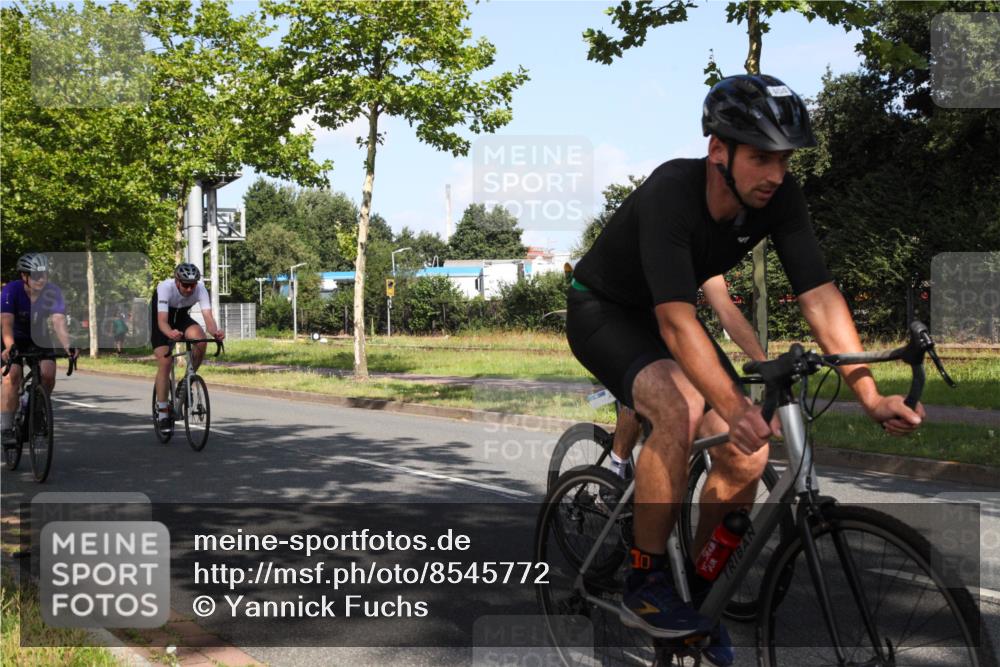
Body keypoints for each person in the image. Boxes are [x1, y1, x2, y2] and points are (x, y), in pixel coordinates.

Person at [566, 74, 925, 665]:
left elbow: (819, 296)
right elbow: (679, 323)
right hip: (605, 309)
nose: (776, 174)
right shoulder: (670, 193)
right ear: (718, 151)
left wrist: (870, 394)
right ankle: (647, 580)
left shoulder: (781, 197)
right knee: (676, 408)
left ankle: (703, 591)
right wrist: (732, 408)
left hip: (666, 311)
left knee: (749, 453)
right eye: (761, 157)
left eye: (783, 159)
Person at [605, 274, 766, 481]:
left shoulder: (704, 258)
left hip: (675, 325)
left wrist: (763, 362)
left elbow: (726, 309)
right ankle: (616, 467)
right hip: (629, 319)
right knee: (644, 390)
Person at [1, 253, 78, 448]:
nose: (41, 279)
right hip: (12, 337)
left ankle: (35, 408)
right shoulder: (11, 290)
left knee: (48, 373)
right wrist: (10, 346)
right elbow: (6, 324)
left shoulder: (52, 291)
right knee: (12, 376)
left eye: (44, 274)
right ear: (24, 276)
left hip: (38, 335)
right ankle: (6, 427)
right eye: (36, 275)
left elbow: (58, 321)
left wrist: (68, 346)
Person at [151, 263, 224, 430]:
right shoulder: (165, 288)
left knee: (201, 340)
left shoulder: (200, 288)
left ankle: (185, 382)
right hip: (162, 321)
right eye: (185, 285)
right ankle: (162, 412)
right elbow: (162, 321)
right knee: (165, 362)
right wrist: (170, 333)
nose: (190, 289)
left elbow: (208, 317)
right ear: (177, 281)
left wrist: (216, 332)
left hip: (182, 318)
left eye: (193, 285)